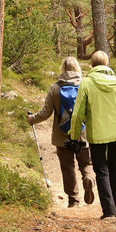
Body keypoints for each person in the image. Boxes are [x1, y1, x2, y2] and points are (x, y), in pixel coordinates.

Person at [69, 49, 116, 219]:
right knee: (115, 165)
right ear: (107, 64)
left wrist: (74, 135)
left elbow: (78, 113)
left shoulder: (86, 83)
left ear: (92, 65)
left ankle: (108, 211)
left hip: (97, 135)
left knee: (101, 170)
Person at [27, 56, 94, 208]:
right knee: (86, 163)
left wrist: (32, 119)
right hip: (83, 133)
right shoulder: (86, 86)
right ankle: (88, 178)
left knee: (67, 167)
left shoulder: (55, 88)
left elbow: (46, 113)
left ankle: (73, 200)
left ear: (62, 69)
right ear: (77, 68)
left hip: (61, 136)